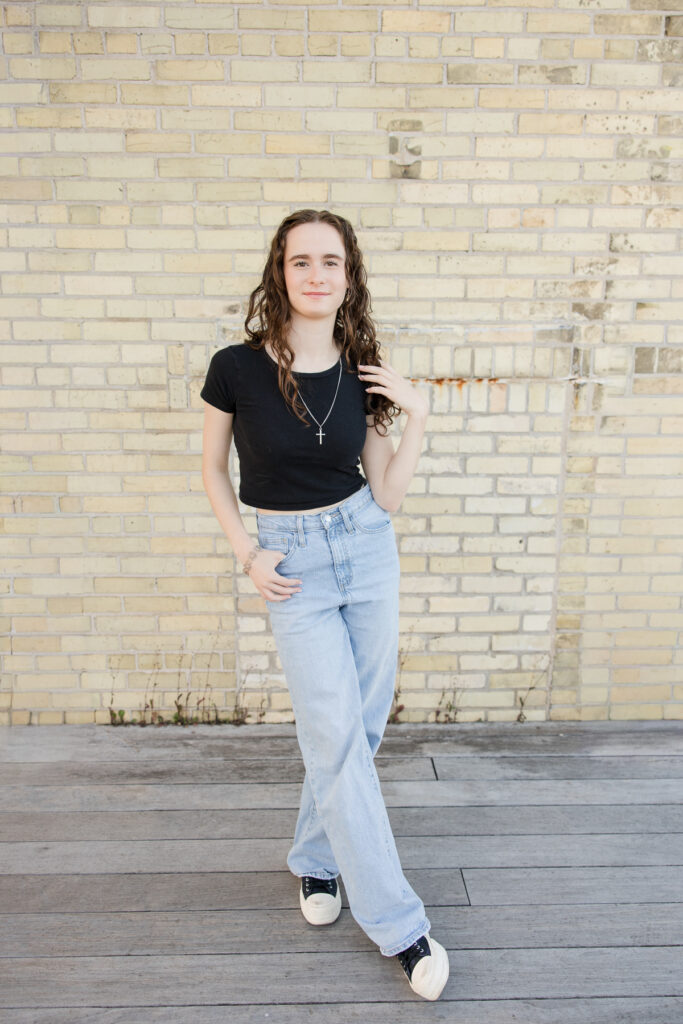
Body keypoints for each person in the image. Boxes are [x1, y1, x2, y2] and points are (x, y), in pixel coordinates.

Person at [200, 208, 450, 1001]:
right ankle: (401, 927)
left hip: (367, 549)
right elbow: (211, 471)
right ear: (279, 271)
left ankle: (314, 859)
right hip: (293, 566)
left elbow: (387, 493)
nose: (316, 274)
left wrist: (420, 417)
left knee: (358, 731)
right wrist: (247, 552)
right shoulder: (235, 368)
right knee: (336, 735)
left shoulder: (363, 365)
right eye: (301, 260)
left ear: (349, 276)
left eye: (330, 262)